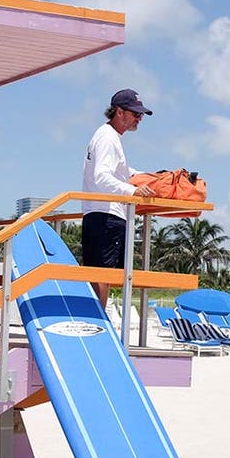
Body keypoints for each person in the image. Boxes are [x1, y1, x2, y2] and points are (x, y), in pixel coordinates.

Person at [81, 88, 155, 306]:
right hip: (107, 215)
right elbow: (102, 177)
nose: (139, 119)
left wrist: (143, 177)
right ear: (119, 112)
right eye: (135, 114)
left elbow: (116, 171)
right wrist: (132, 190)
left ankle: (96, 324)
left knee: (98, 274)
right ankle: (99, 326)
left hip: (98, 213)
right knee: (103, 275)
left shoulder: (106, 135)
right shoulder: (108, 139)